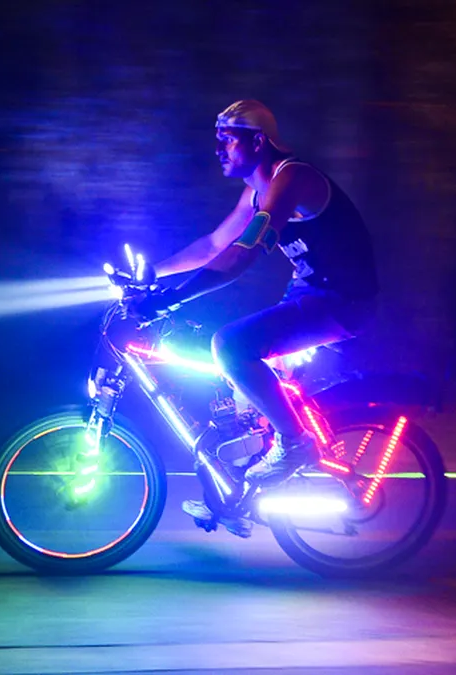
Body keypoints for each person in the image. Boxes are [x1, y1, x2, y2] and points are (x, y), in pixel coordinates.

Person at [129, 100, 379, 535]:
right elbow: (212, 246)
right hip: (308, 293)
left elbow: (242, 255)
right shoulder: (257, 190)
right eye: (218, 140)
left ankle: (295, 444)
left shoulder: (293, 179)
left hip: (342, 301)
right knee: (247, 393)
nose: (219, 149)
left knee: (229, 346)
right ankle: (240, 495)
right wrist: (157, 274)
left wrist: (172, 300)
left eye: (228, 139)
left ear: (258, 141)